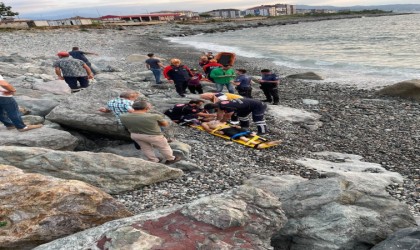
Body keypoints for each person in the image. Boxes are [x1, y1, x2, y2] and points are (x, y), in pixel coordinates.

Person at [201, 119, 280, 148]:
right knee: (241, 136)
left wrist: (234, 125)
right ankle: (257, 144)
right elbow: (208, 129)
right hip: (224, 129)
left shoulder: (217, 118)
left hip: (229, 127)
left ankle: (265, 141)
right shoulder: (205, 123)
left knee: (247, 133)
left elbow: (226, 121)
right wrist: (217, 132)